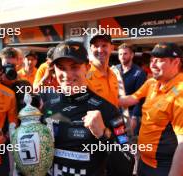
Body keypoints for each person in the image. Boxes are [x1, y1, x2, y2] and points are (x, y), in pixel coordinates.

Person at [42, 41, 132, 176]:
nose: (67, 75)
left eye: (74, 67)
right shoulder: (48, 106)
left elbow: (127, 167)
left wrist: (104, 135)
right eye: (61, 68)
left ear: (88, 67)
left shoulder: (107, 110)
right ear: (54, 70)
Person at [119, 42, 183, 176]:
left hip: (164, 167)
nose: (152, 65)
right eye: (152, 60)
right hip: (143, 161)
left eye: (159, 60)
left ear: (176, 62)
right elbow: (130, 99)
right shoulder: (152, 83)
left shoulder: (181, 91)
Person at [117, 43, 147, 133]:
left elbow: (140, 97)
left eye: (125, 54)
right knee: (117, 141)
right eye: (120, 54)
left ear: (132, 55)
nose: (122, 56)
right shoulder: (114, 70)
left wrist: (134, 117)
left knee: (130, 141)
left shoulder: (139, 73)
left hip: (130, 113)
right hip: (115, 112)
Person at [86, 34, 119, 107]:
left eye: (104, 45)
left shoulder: (113, 74)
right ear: (91, 49)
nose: (100, 50)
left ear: (112, 48)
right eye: (96, 46)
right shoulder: (87, 74)